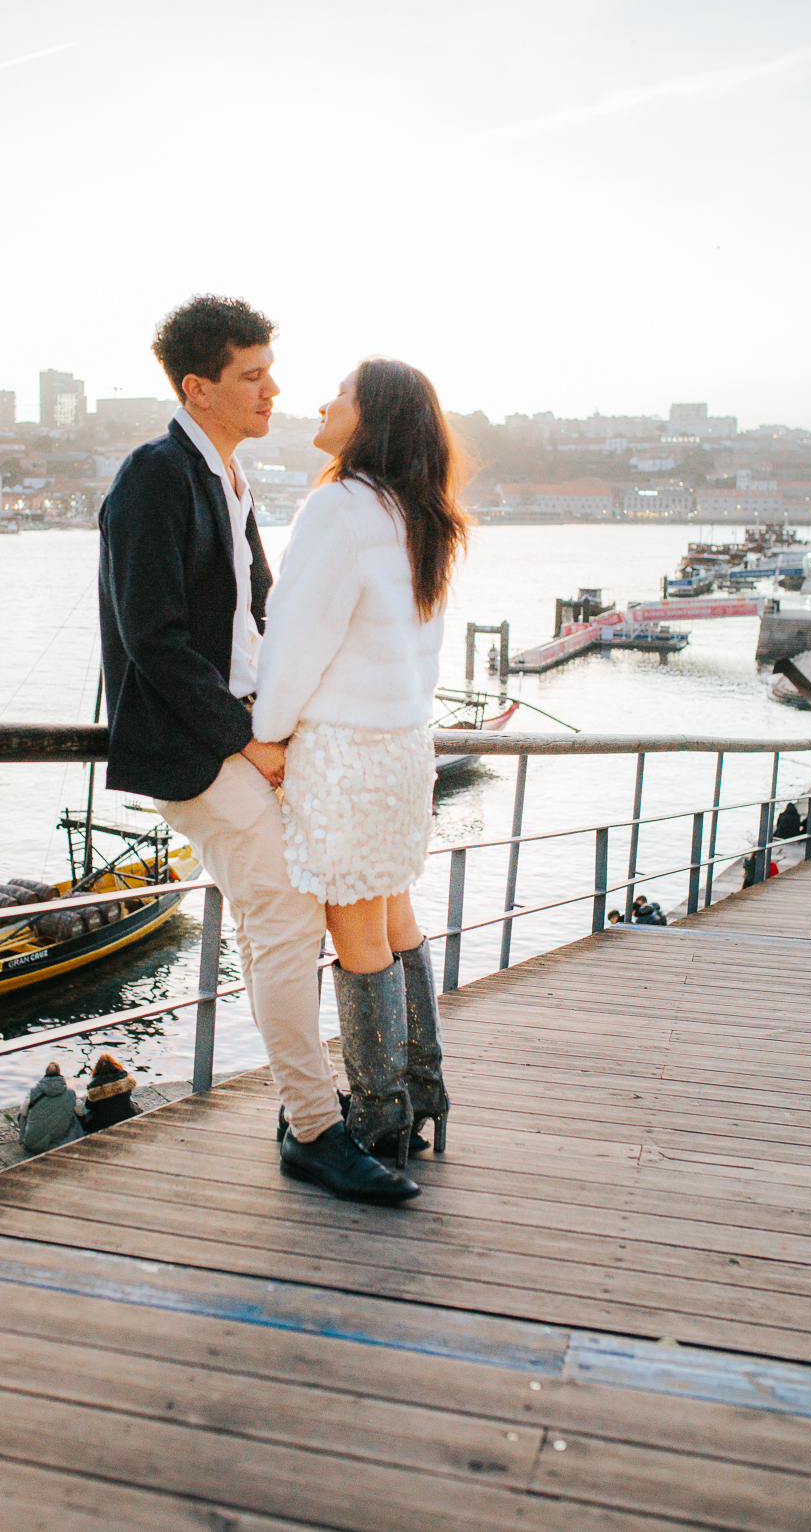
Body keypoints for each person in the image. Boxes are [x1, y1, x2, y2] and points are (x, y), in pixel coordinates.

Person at [98, 295, 418, 1206]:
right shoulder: (154, 477)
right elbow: (152, 638)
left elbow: (265, 622)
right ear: (199, 388)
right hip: (198, 749)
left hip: (245, 736)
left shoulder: (231, 479)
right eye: (253, 376)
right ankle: (315, 1130)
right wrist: (248, 739)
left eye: (271, 371)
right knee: (285, 915)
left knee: (290, 916)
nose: (275, 389)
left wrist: (295, 722)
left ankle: (312, 1112)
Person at [253, 358, 469, 1170]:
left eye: (339, 393)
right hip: (405, 746)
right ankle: (422, 1089)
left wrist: (270, 733)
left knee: (356, 932)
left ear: (370, 416)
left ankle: (379, 1113)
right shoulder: (424, 514)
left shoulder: (338, 508)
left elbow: (297, 640)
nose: (322, 401)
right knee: (392, 916)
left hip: (344, 751)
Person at [18, 1062, 85, 1153]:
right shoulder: (70, 1093)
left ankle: (24, 1139)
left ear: (45, 1074)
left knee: (21, 1116)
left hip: (33, 1145)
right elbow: (81, 1111)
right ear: (60, 1075)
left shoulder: (34, 1092)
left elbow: (23, 1112)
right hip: (62, 1144)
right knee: (75, 1114)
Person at [83, 1053, 141, 1133]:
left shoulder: (95, 1086)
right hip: (126, 1115)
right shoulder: (124, 1079)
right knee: (129, 1097)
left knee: (87, 1107)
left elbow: (89, 1106)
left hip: (104, 1123)